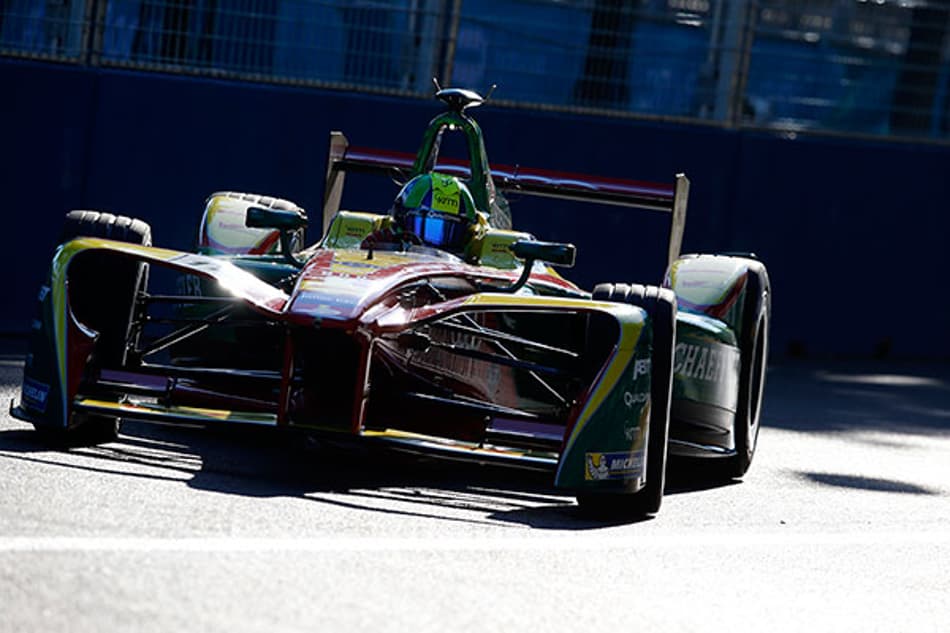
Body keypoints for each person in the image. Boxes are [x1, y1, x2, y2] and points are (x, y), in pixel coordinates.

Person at [362, 172, 481, 255]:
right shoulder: (380, 243)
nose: (432, 247)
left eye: (449, 234)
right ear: (400, 219)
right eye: (424, 227)